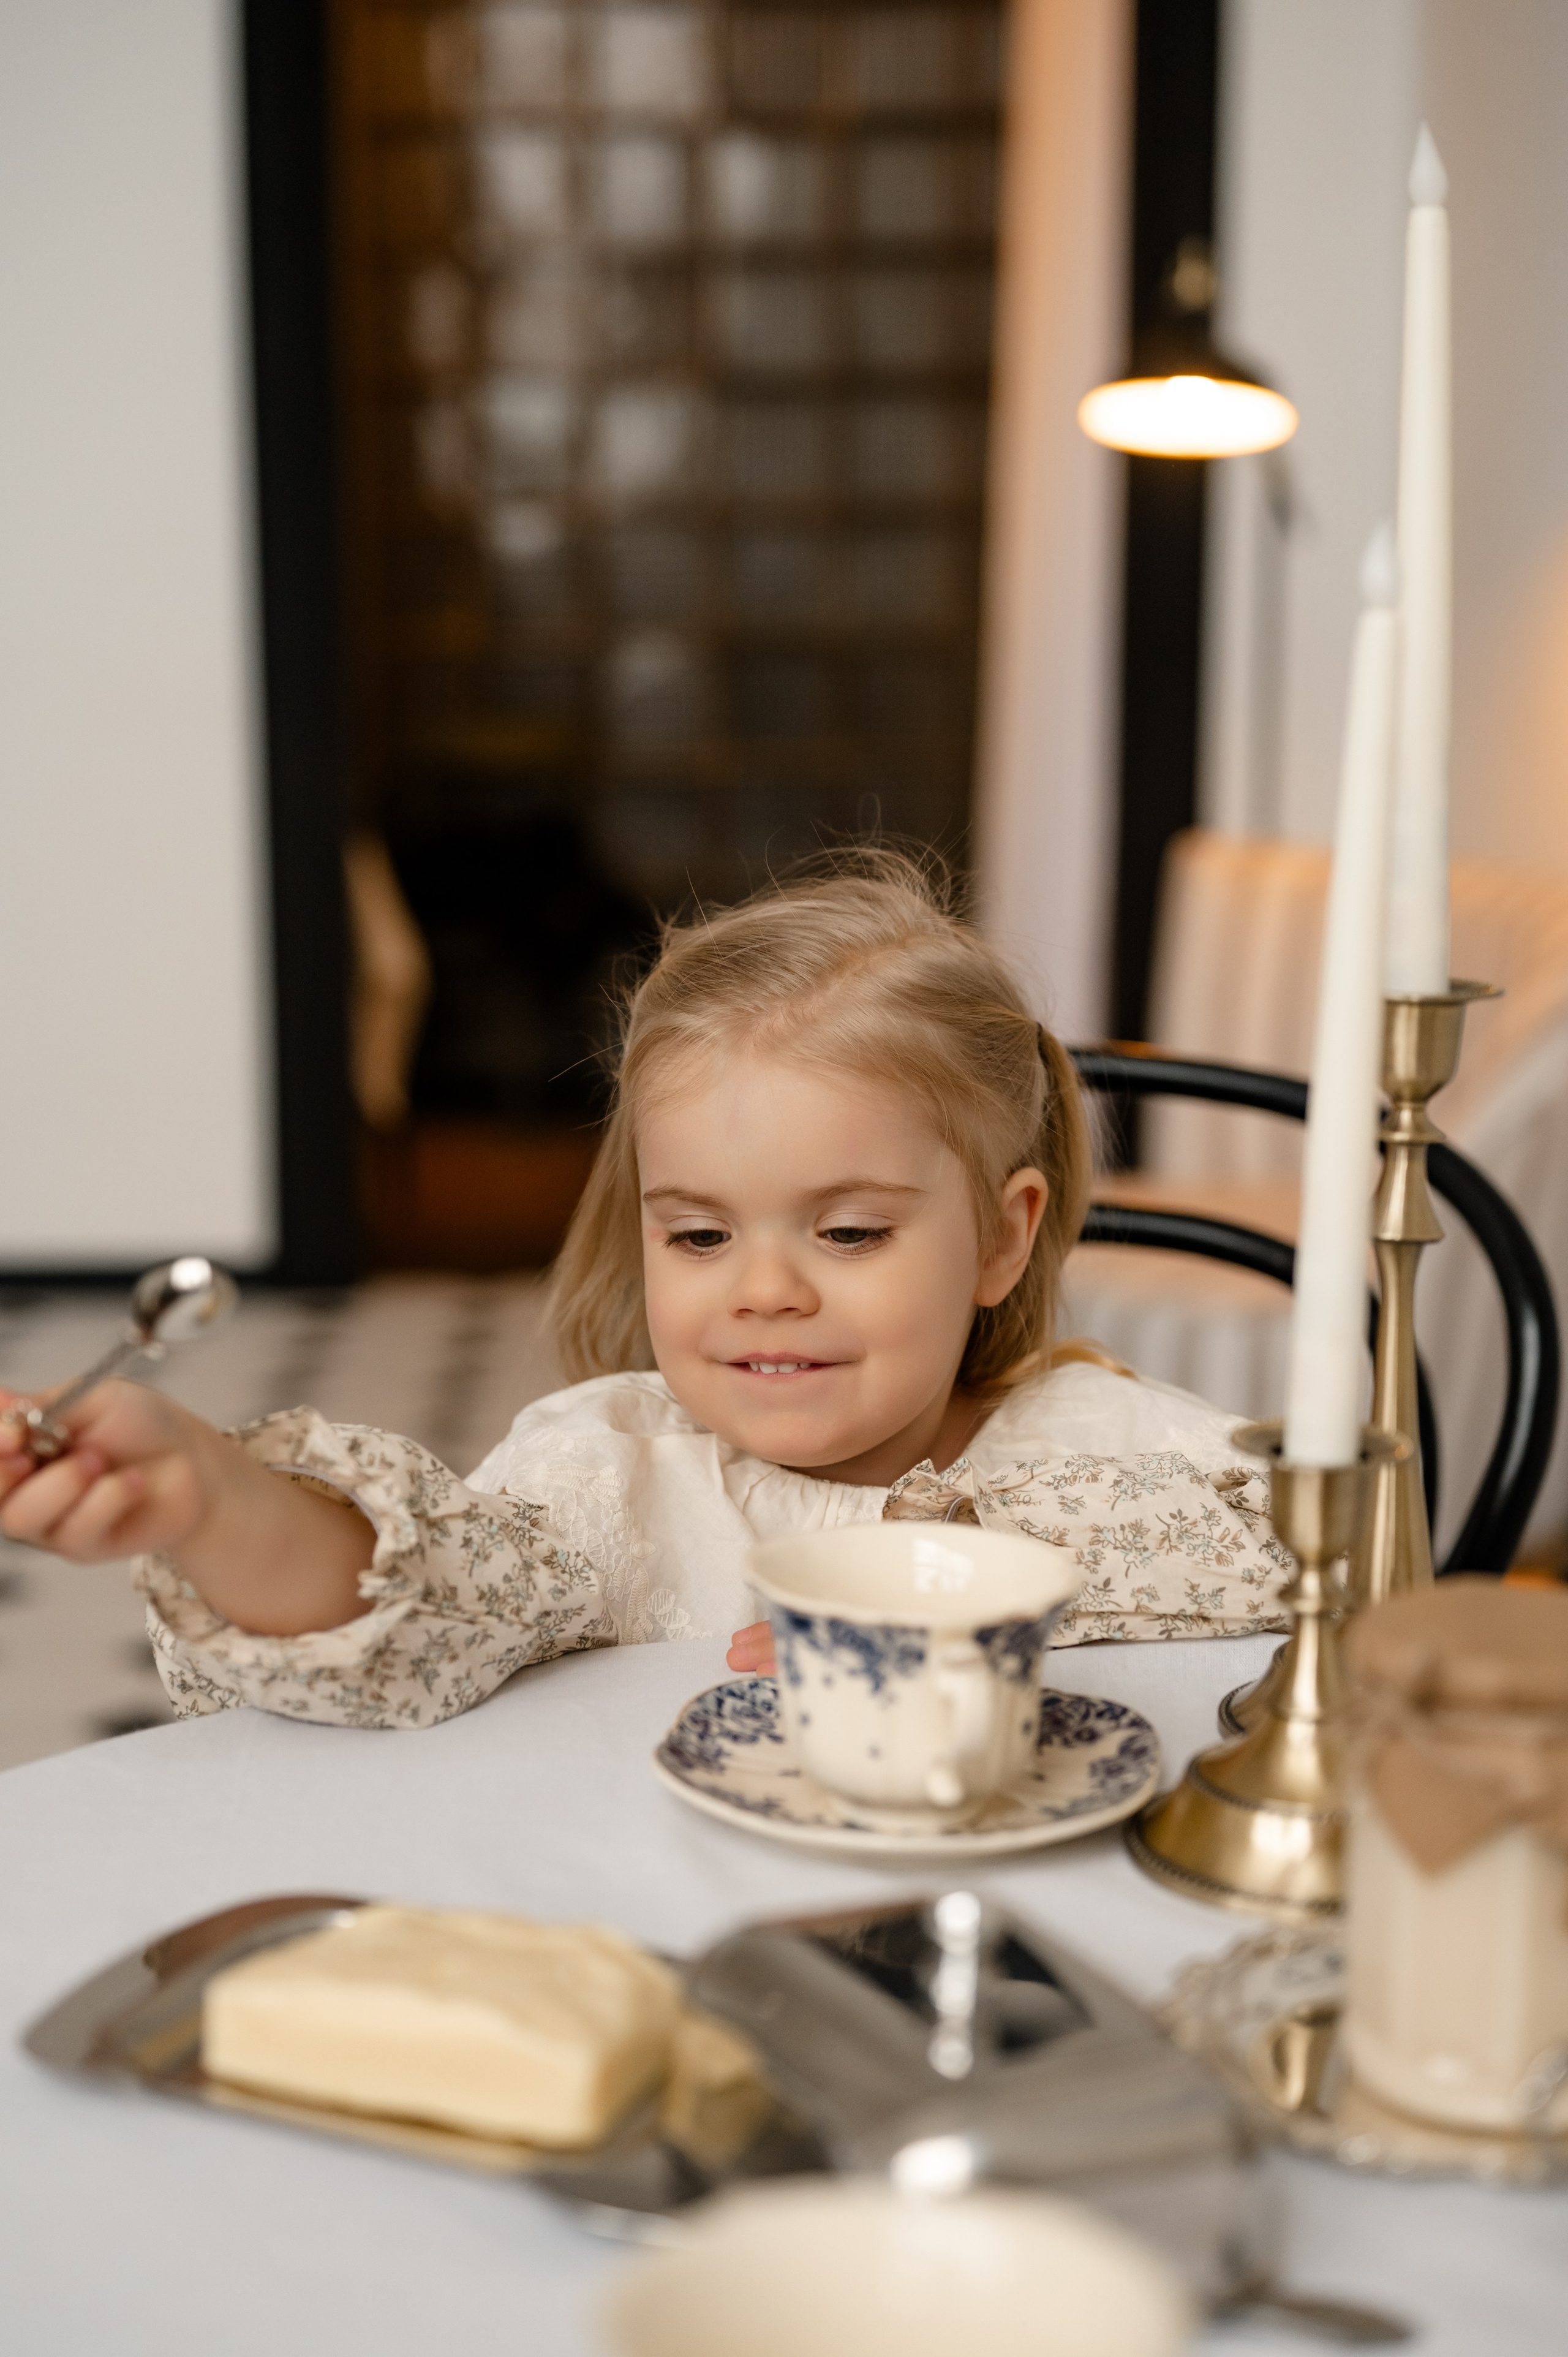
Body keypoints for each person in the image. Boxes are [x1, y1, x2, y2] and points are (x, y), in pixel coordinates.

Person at [0, 857, 1289, 1730]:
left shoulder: (1121, 1456)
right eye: (698, 1236)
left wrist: (961, 1614)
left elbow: (1319, 1578)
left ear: (1001, 1241)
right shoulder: (608, 1477)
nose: (763, 1291)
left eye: (845, 1232)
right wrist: (212, 1496)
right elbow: (405, 1611)